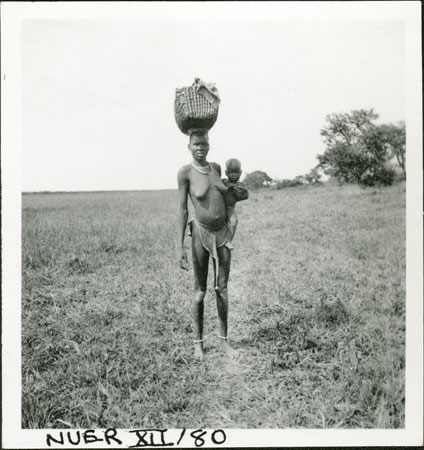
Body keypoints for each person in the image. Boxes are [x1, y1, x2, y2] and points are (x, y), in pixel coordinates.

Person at [177, 129, 237, 360]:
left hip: (222, 235)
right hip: (200, 234)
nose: (200, 148)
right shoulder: (185, 173)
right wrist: (179, 247)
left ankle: (224, 341)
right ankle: (198, 344)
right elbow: (182, 210)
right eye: (196, 144)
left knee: (222, 289)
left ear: (209, 144)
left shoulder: (216, 168)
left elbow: (225, 194)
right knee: (200, 292)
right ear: (189, 146)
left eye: (204, 143)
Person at [222, 158, 249, 247]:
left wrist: (235, 188)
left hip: (229, 208)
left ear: (240, 173)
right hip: (218, 207)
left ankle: (228, 241)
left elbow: (245, 195)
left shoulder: (240, 185)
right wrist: (230, 186)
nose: (233, 175)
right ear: (226, 173)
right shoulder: (223, 181)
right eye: (231, 172)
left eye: (236, 172)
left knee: (234, 221)